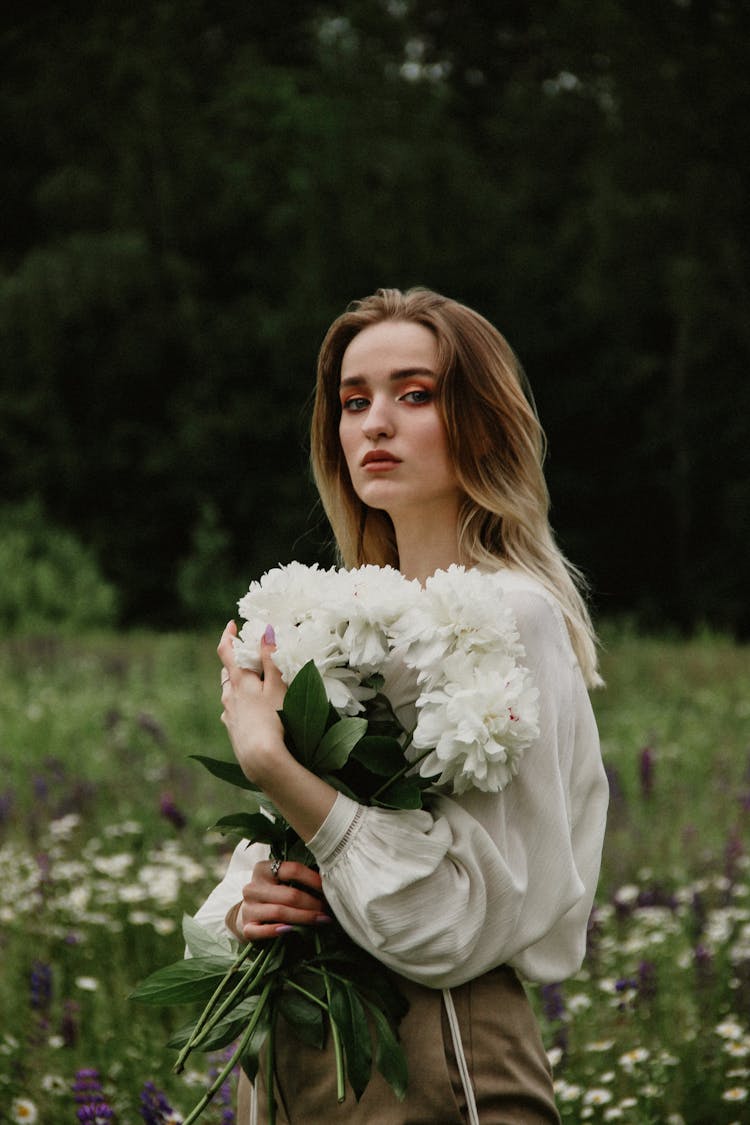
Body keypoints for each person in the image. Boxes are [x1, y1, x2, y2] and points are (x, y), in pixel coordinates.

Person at [197, 287, 609, 1124]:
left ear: (481, 421)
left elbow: (447, 927)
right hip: (289, 1057)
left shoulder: (515, 616)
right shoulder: (328, 619)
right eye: (354, 401)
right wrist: (250, 903)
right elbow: (293, 861)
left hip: (434, 1056)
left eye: (413, 395)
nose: (374, 423)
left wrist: (274, 765)